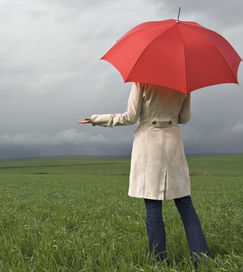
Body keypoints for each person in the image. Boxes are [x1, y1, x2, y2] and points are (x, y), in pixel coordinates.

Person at [77, 82, 210, 262]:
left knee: (153, 204)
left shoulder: (142, 80)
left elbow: (130, 117)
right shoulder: (183, 81)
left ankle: (158, 261)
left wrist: (96, 119)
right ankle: (201, 258)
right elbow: (184, 118)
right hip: (173, 142)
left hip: (149, 144)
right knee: (185, 204)